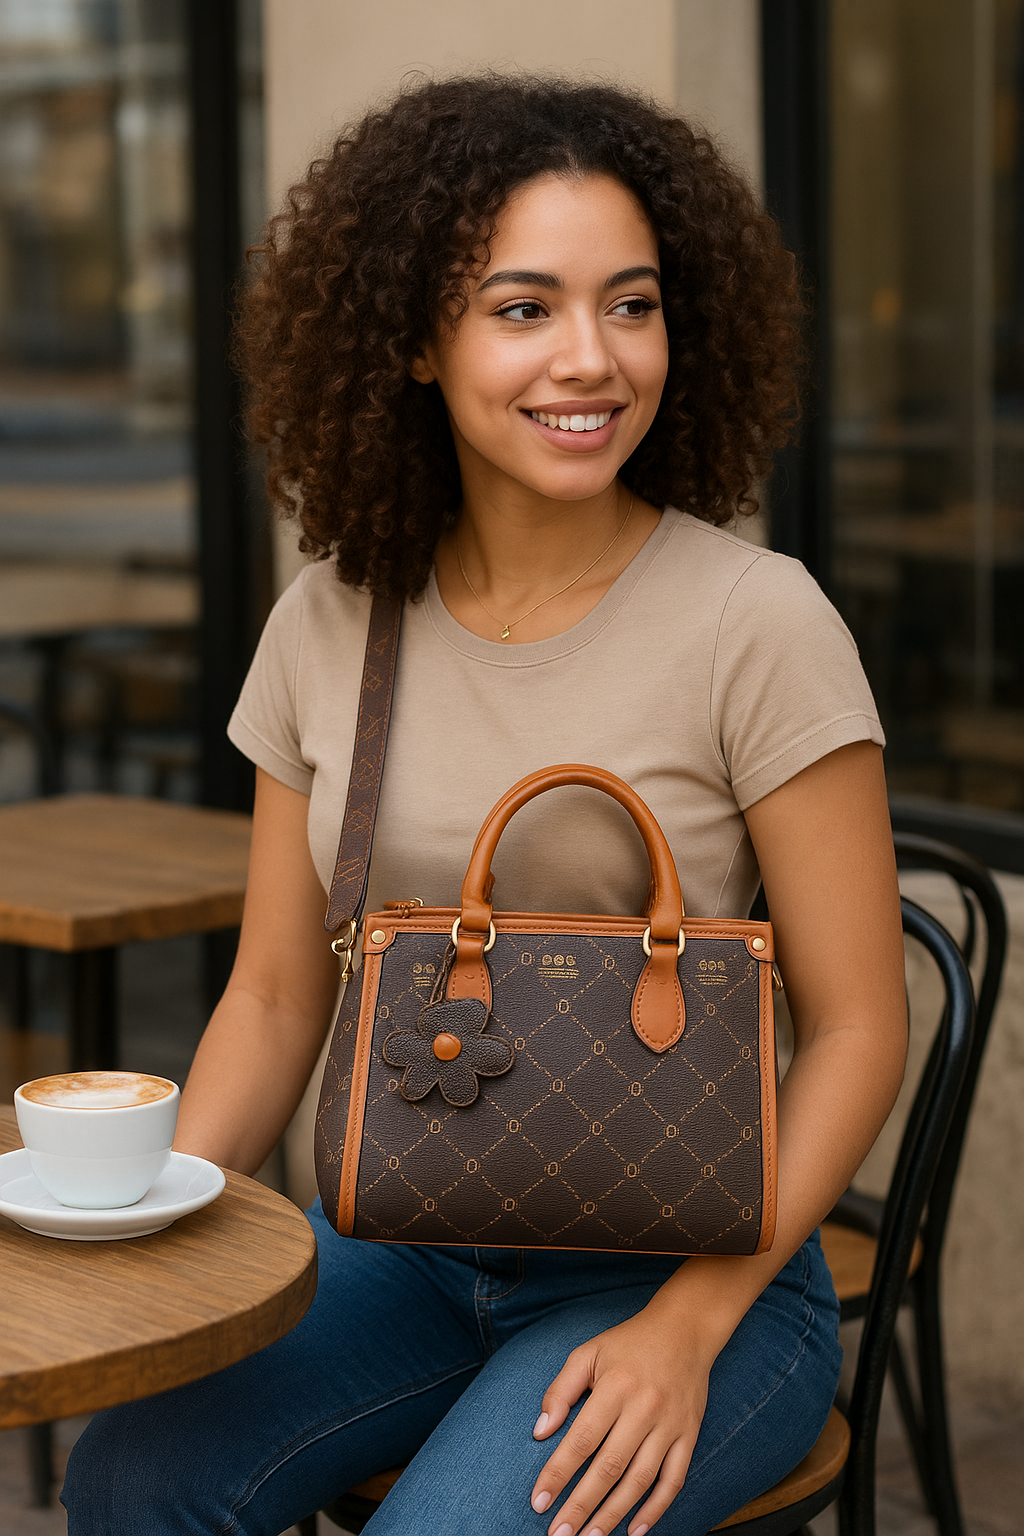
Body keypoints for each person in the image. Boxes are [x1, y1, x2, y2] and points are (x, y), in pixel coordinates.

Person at [63, 76, 906, 1536]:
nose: (592, 358)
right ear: (408, 339)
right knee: (130, 1487)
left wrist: (687, 1330)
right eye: (525, 308)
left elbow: (858, 1027)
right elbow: (271, 999)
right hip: (395, 1243)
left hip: (690, 1272)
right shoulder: (333, 622)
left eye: (630, 305)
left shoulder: (757, 624)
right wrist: (164, 1247)